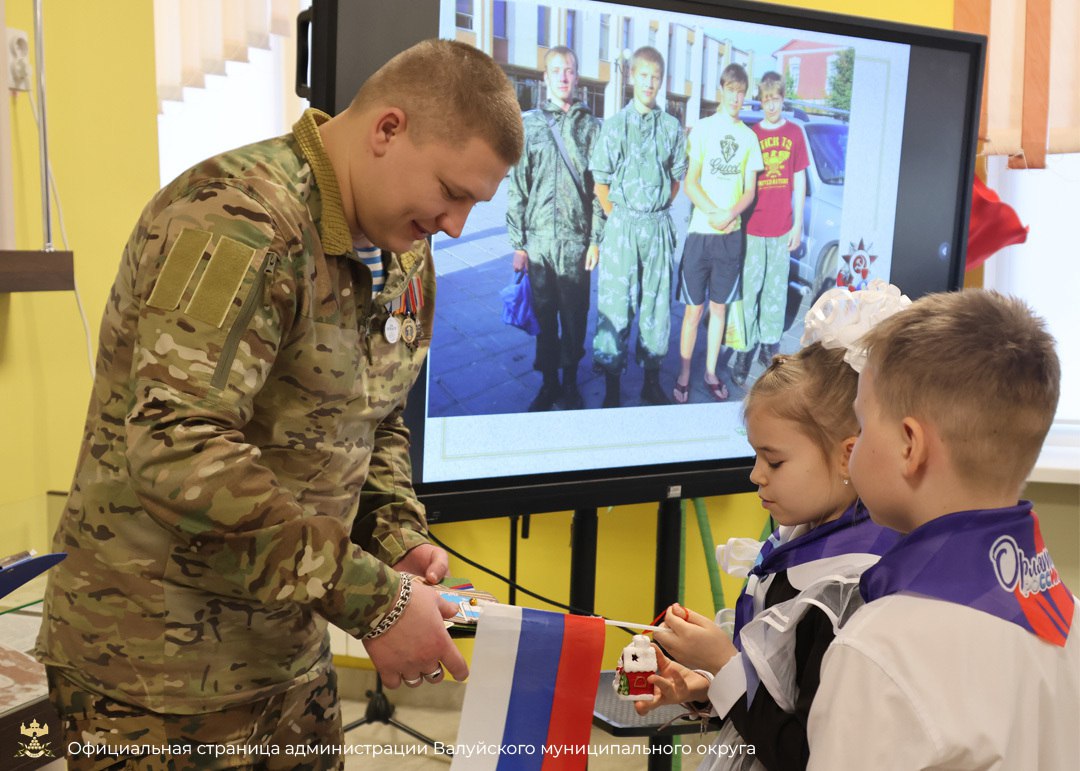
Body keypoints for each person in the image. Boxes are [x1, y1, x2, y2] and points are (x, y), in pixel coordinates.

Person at [35, 39, 523, 768]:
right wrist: (373, 600)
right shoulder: (237, 218)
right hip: (149, 674)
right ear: (388, 130)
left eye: (473, 205)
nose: (455, 225)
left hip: (287, 652)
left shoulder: (403, 252)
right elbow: (177, 444)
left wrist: (397, 537)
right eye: (451, 192)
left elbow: (373, 415)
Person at [639, 283, 907, 770]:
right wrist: (708, 686)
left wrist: (724, 666)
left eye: (774, 460)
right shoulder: (802, 538)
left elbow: (804, 753)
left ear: (849, 455)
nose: (755, 475)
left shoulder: (849, 588)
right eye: (755, 455)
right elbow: (776, 694)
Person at [808, 289, 1079, 769]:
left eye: (863, 423)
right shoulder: (1068, 615)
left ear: (910, 446)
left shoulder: (879, 650)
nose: (854, 445)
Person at [589, 46, 688, 407]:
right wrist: (618, 218)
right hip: (623, 228)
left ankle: (650, 382)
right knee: (615, 307)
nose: (649, 83)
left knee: (657, 307)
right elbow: (600, 181)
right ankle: (612, 389)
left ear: (662, 81)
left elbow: (676, 177)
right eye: (643, 75)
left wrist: (657, 209)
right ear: (632, 77)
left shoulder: (672, 127)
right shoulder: (615, 126)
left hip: (657, 228)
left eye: (656, 77)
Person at [506, 46, 602, 411]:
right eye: (557, 70)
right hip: (540, 243)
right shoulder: (529, 126)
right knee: (545, 319)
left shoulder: (590, 127)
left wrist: (596, 240)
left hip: (577, 244)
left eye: (570, 70)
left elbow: (599, 190)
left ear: (577, 78)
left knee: (575, 318)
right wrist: (519, 243)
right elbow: (518, 186)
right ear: (545, 78)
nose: (563, 76)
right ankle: (548, 383)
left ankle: (571, 383)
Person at [673, 63, 764, 404]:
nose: (736, 98)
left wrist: (730, 214)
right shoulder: (703, 130)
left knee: (719, 310)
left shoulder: (749, 138)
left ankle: (710, 371)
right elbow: (690, 181)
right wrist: (712, 213)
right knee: (693, 311)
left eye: (741, 92)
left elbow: (750, 190)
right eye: (731, 90)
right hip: (700, 234)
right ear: (721, 91)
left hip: (731, 237)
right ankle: (683, 374)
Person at [731, 72, 808, 388]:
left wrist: (798, 224)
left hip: (780, 229)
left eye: (776, 99)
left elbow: (800, 180)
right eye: (766, 100)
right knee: (748, 293)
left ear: (782, 98)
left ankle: (768, 346)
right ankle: (743, 352)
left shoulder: (794, 133)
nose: (771, 105)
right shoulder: (752, 134)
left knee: (775, 292)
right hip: (753, 227)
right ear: (760, 101)